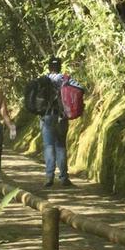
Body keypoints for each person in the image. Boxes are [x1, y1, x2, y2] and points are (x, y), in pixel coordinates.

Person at [41, 56, 83, 187]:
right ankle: (64, 177)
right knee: (60, 146)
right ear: (60, 67)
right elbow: (81, 89)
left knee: (48, 146)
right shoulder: (66, 79)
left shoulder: (43, 80)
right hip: (62, 117)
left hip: (46, 116)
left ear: (49, 67)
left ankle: (49, 177)